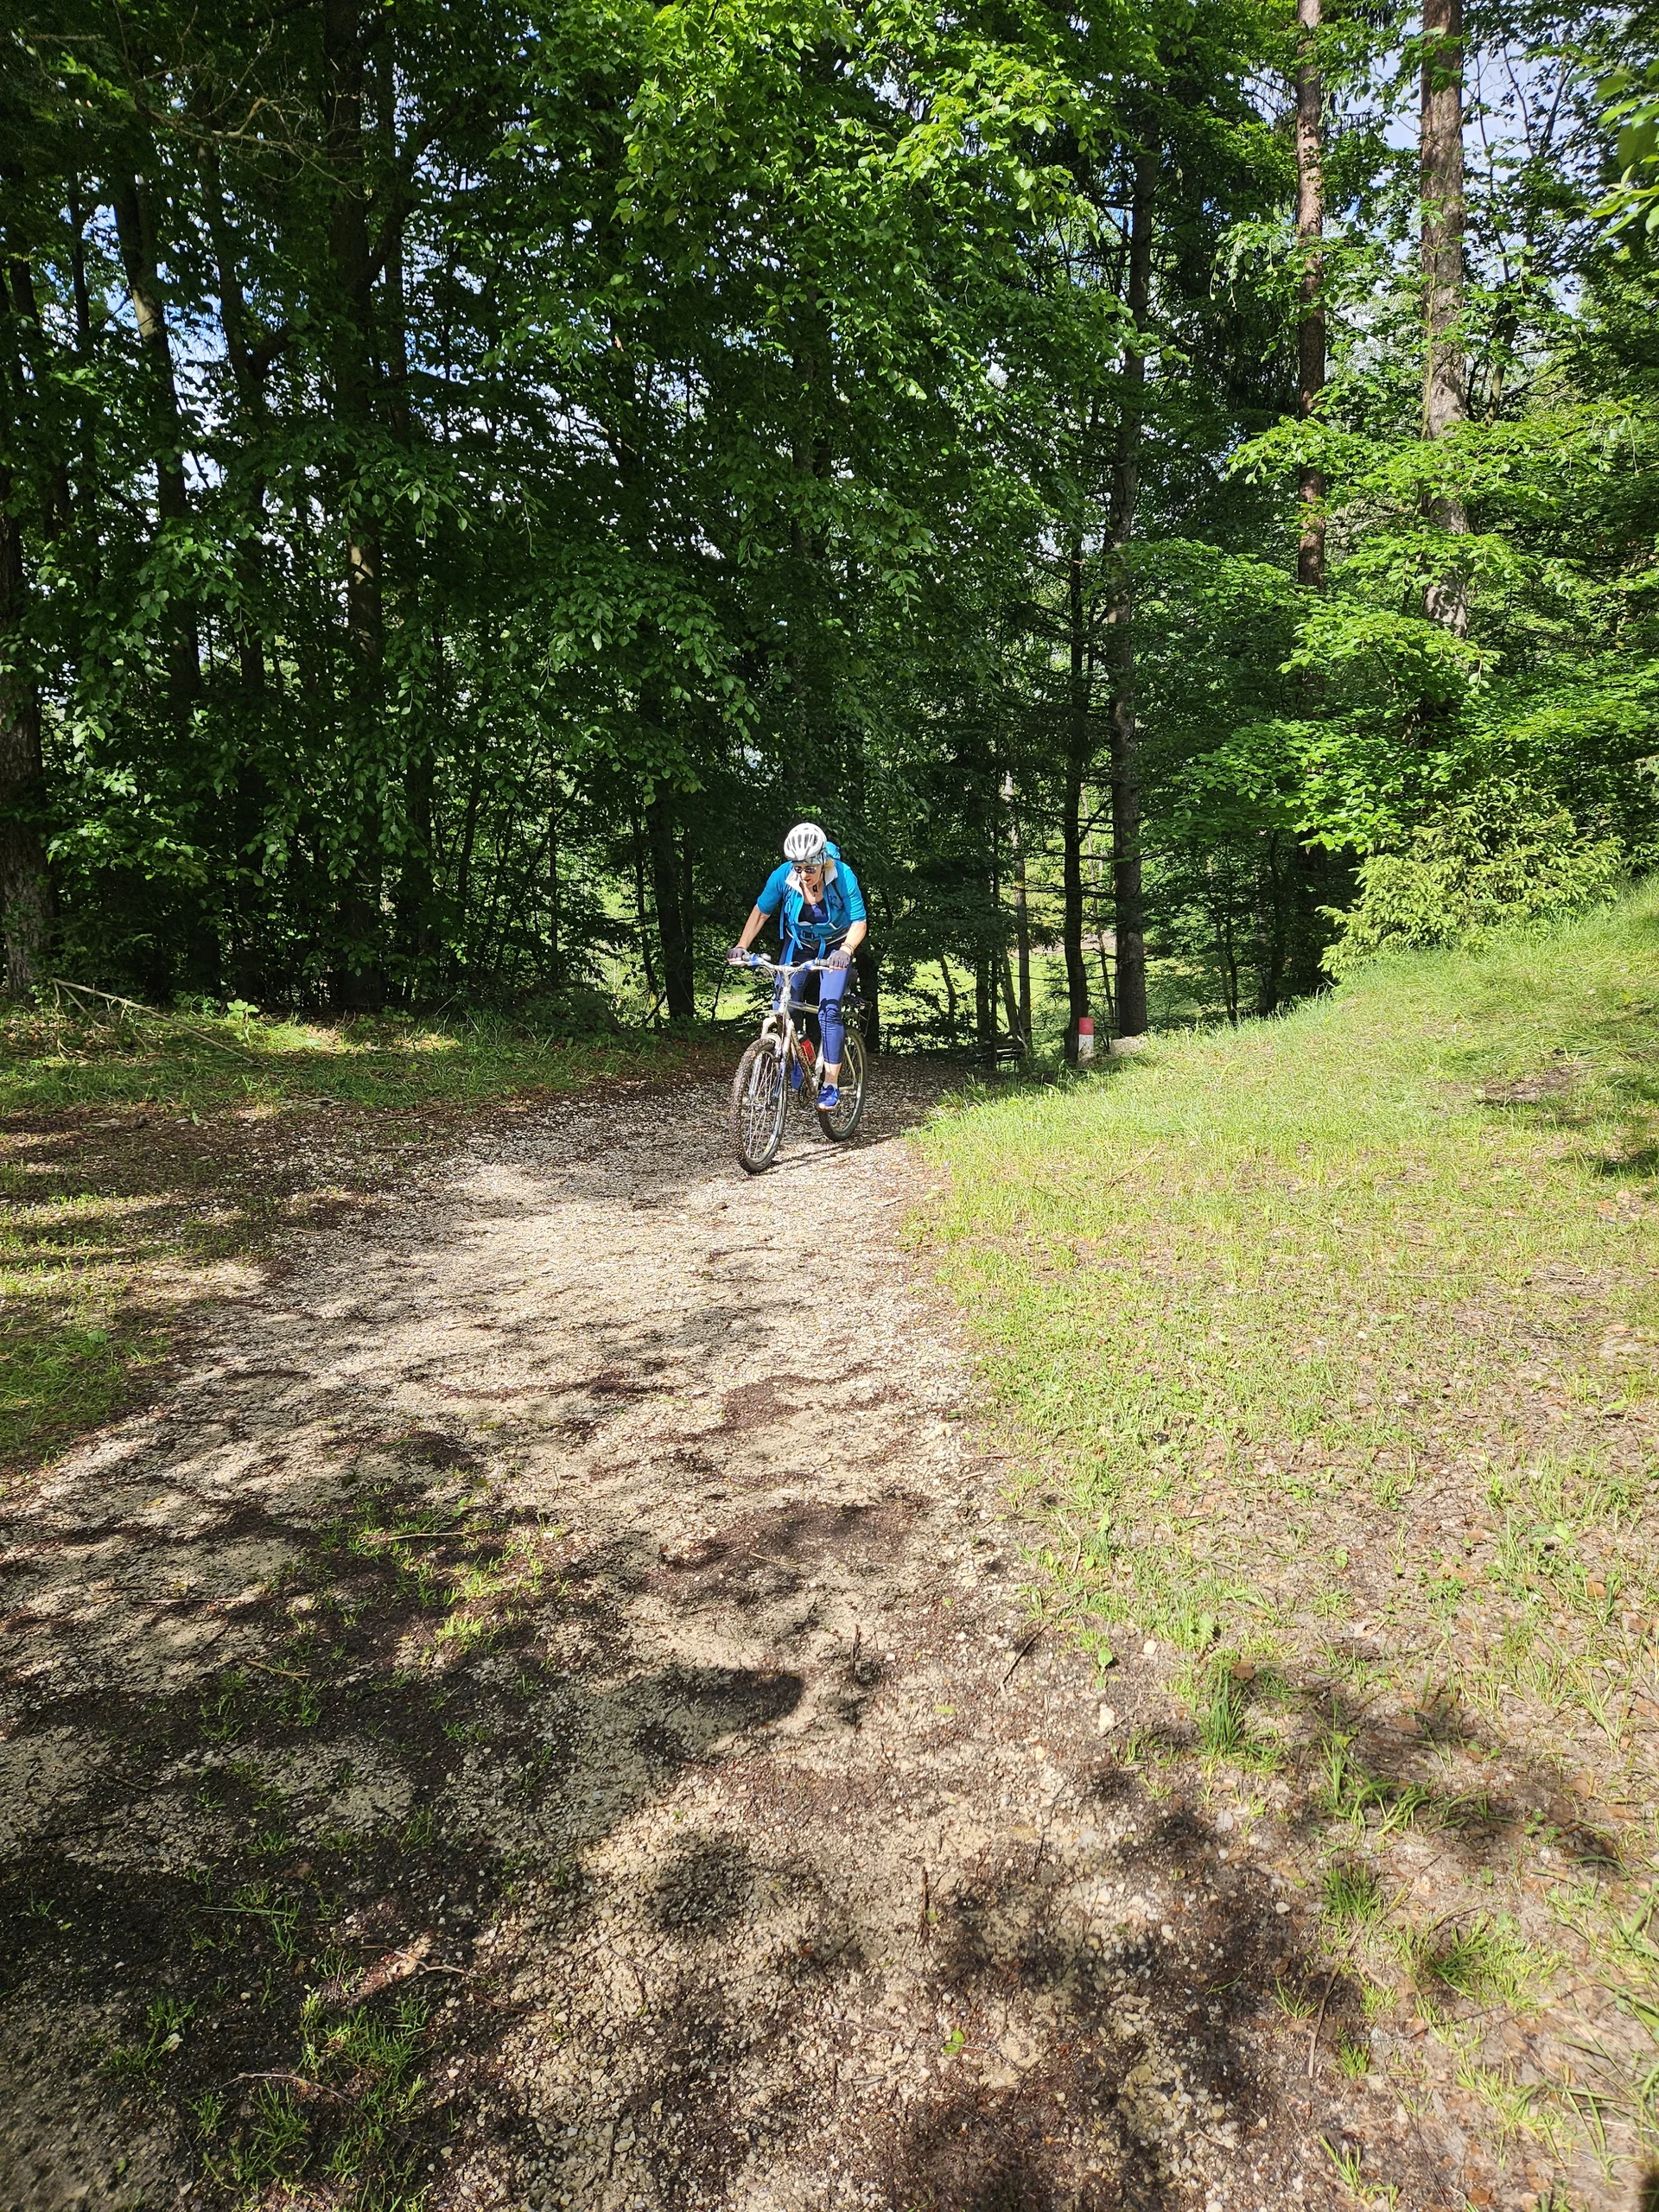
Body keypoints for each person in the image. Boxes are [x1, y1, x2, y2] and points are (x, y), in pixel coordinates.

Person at [728, 822, 867, 1108]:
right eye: (797, 868)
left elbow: (859, 921)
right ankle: (797, 1050)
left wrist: (847, 949)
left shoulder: (841, 875)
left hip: (836, 947)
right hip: (799, 944)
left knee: (828, 1011)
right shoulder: (783, 876)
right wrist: (742, 946)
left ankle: (830, 1084)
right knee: (784, 1008)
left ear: (821, 861)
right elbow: (760, 913)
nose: (803, 874)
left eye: (810, 869)